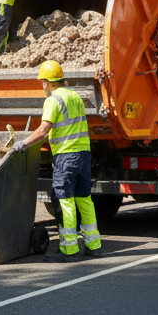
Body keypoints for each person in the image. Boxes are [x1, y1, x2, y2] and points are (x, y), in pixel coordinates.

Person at [14, 60, 102, 261]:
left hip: (66, 156)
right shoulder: (75, 96)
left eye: (42, 82)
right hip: (83, 154)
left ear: (46, 82)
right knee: (84, 199)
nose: (42, 86)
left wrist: (24, 144)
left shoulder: (53, 101)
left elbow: (44, 130)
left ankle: (69, 249)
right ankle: (93, 245)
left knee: (65, 200)